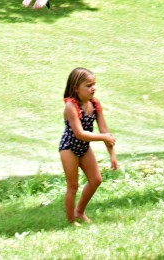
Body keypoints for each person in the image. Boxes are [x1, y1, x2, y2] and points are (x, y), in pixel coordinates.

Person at [59, 67, 117, 225]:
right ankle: (71, 220)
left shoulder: (95, 104)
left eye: (94, 84)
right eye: (88, 85)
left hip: (84, 148)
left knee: (96, 180)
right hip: (69, 147)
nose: (93, 88)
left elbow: (104, 129)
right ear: (76, 89)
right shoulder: (71, 107)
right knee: (73, 186)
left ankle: (79, 211)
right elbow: (79, 133)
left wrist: (112, 154)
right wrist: (103, 137)